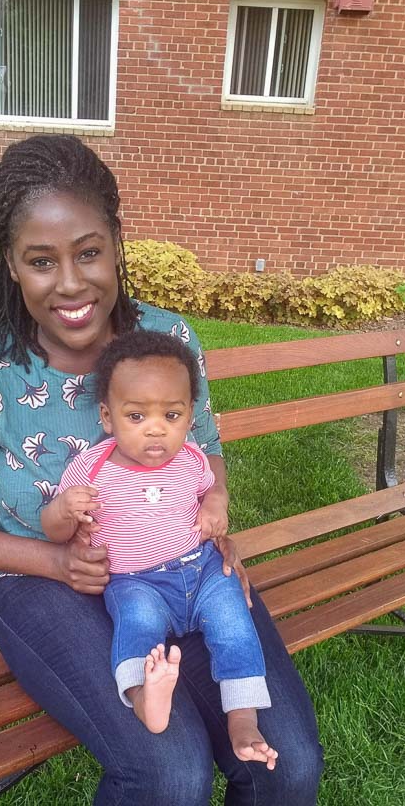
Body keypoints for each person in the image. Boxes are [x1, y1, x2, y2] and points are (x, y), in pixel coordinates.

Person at [0, 133, 323, 805]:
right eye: (41, 260)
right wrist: (55, 563)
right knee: (170, 771)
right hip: (40, 582)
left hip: (182, 568)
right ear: (11, 267)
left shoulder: (167, 342)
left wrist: (213, 514)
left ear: (116, 244)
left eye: (90, 252)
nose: (71, 283)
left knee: (290, 762)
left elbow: (205, 445)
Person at [41, 329, 277, 768]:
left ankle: (243, 716)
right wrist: (63, 509)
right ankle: (143, 693)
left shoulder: (191, 459)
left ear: (190, 417)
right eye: (136, 417)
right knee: (137, 624)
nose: (156, 430)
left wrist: (214, 503)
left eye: (171, 415)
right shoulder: (91, 468)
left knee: (234, 623)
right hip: (136, 580)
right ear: (108, 418)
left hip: (202, 568)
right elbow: (54, 531)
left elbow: (211, 492)